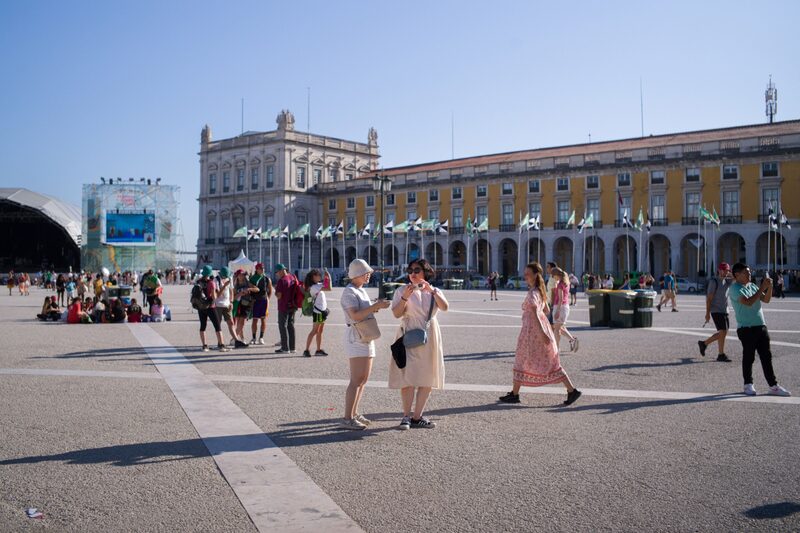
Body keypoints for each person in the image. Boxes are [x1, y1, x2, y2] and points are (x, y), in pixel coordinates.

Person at [499, 262, 582, 406]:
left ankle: (572, 390)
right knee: (528, 360)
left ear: (535, 275)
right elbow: (546, 310)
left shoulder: (533, 293)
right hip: (533, 331)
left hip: (532, 332)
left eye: (527, 274)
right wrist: (542, 321)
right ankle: (514, 393)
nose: (525, 276)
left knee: (538, 361)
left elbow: (536, 314)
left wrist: (542, 332)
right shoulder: (539, 291)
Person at [390, 258, 449, 430]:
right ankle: (406, 416)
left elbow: (444, 307)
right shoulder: (402, 290)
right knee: (408, 376)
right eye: (410, 271)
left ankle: (418, 417)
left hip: (429, 335)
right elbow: (396, 313)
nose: (412, 274)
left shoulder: (434, 290)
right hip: (408, 334)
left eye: (416, 270)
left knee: (427, 377)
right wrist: (404, 297)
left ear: (425, 272)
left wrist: (432, 292)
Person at [339, 259, 391, 430]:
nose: (368, 274)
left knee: (363, 379)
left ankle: (354, 413)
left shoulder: (360, 290)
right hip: (356, 336)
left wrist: (377, 306)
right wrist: (375, 305)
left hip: (365, 335)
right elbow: (354, 315)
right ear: (356, 274)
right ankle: (347, 418)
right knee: (356, 380)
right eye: (365, 272)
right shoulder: (349, 292)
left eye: (368, 272)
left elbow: (363, 312)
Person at [729, 263, 790, 397]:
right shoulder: (734, 288)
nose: (749, 274)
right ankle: (748, 384)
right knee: (748, 357)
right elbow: (748, 301)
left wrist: (769, 287)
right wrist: (762, 287)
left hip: (761, 326)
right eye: (746, 272)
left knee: (766, 357)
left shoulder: (752, 286)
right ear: (737, 275)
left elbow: (766, 300)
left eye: (749, 272)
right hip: (746, 328)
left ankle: (773, 386)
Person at [698, 263, 733, 362]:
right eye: (725, 270)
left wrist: (729, 274)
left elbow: (737, 278)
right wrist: (707, 313)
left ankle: (704, 344)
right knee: (722, 331)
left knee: (724, 332)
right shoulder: (714, 282)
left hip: (725, 310)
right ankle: (721, 354)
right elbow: (709, 299)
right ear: (719, 270)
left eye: (728, 270)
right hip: (716, 310)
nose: (726, 272)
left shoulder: (727, 281)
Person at [196, 265, 228, 352]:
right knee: (217, 326)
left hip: (201, 307)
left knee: (203, 326)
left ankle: (204, 346)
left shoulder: (198, 282)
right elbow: (214, 297)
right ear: (210, 273)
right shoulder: (211, 283)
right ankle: (221, 345)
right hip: (210, 306)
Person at [303, 268, 332, 357]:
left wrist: (327, 278)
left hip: (322, 311)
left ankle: (318, 349)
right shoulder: (314, 287)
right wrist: (329, 277)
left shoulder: (318, 285)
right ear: (313, 277)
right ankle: (306, 350)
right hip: (318, 312)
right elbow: (329, 288)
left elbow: (327, 286)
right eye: (318, 275)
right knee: (314, 331)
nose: (320, 276)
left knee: (320, 331)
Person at [215, 267, 247, 348]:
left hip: (227, 304)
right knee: (218, 324)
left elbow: (231, 291)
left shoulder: (229, 278)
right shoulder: (216, 280)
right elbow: (217, 295)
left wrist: (231, 302)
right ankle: (220, 342)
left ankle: (236, 341)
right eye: (225, 276)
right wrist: (224, 286)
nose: (226, 277)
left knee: (231, 323)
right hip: (218, 305)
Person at [550, 267, 578, 353]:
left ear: (557, 275)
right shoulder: (566, 282)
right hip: (565, 306)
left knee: (556, 329)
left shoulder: (560, 284)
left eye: (553, 275)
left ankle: (557, 348)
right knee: (558, 327)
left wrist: (557, 311)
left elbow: (560, 298)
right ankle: (572, 340)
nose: (552, 277)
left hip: (560, 307)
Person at [274, 263, 300, 354]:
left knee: (283, 326)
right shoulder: (292, 277)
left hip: (284, 306)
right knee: (291, 325)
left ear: (281, 271)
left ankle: (285, 348)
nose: (277, 274)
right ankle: (292, 347)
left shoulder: (282, 281)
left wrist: (275, 291)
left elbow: (279, 296)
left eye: (277, 272)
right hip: (293, 305)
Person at [249, 263, 273, 345]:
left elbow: (270, 290)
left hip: (264, 301)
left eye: (263, 268)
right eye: (260, 268)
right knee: (254, 320)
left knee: (263, 319)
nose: (262, 269)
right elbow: (249, 290)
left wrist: (268, 299)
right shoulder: (252, 278)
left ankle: (261, 337)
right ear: (257, 269)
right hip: (255, 301)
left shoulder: (267, 278)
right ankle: (253, 338)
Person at [233, 269, 258, 342]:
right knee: (239, 324)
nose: (242, 276)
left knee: (242, 323)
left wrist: (249, 289)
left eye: (243, 275)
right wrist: (240, 294)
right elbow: (233, 298)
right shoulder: (235, 285)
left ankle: (234, 338)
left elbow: (257, 289)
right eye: (240, 275)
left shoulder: (248, 283)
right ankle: (242, 339)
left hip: (246, 304)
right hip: (238, 305)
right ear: (237, 276)